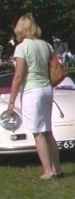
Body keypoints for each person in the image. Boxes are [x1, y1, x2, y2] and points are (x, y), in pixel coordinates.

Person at [5, 14, 62, 179]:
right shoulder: (46, 45)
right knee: (48, 131)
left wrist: (11, 102)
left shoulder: (22, 47)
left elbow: (18, 76)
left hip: (32, 90)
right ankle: (57, 169)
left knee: (38, 133)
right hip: (47, 89)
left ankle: (48, 171)